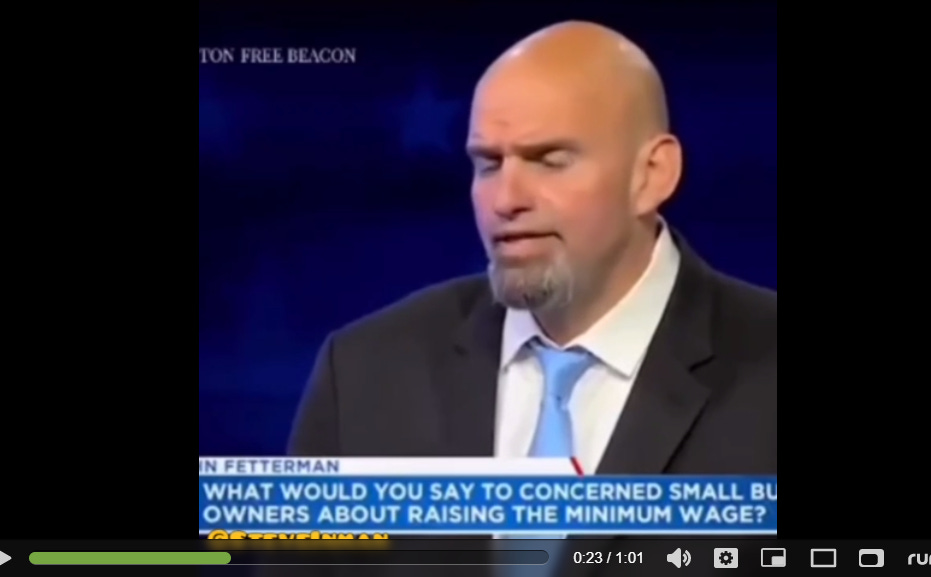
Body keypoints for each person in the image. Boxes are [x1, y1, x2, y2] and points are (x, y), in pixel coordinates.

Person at [291, 15, 775, 503]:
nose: (506, 200)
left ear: (651, 175)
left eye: (549, 161)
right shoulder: (363, 373)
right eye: (489, 164)